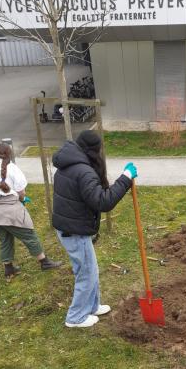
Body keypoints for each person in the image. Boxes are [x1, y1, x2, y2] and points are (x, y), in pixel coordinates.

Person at [52, 130, 137, 328]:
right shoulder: (83, 171)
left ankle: (91, 306)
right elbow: (103, 201)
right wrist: (125, 178)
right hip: (73, 230)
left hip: (71, 226)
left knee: (91, 269)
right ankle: (75, 317)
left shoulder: (69, 163)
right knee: (86, 272)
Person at [0, 143, 62, 279]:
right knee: (29, 235)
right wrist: (23, 199)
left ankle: (9, 269)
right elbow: (21, 191)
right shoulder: (12, 168)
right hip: (10, 211)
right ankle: (44, 262)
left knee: (5, 239)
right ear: (9, 154)